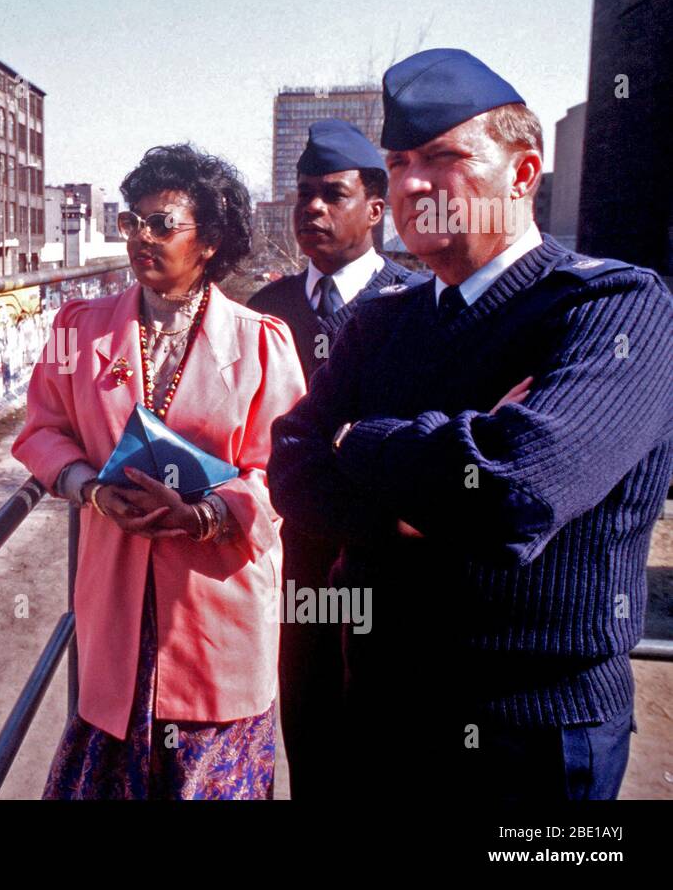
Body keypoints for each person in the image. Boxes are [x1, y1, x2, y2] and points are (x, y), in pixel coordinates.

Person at [267, 48, 673, 800]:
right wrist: (440, 481)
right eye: (399, 161)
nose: (414, 182)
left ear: (523, 173)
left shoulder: (611, 309)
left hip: (533, 740)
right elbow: (291, 470)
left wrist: (359, 440)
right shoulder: (383, 322)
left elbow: (513, 493)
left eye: (443, 156)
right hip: (381, 717)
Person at [12, 143, 306, 799]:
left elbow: (288, 473)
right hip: (116, 604)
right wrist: (87, 488)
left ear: (210, 241)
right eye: (130, 221)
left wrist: (209, 514)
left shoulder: (262, 343)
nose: (140, 238)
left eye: (161, 223)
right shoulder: (80, 329)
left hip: (214, 610)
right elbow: (41, 430)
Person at [248, 119, 424, 799]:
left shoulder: (414, 307)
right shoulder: (266, 312)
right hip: (293, 578)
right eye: (303, 196)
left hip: (393, 574)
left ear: (377, 209)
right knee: (312, 749)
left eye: (332, 195)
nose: (312, 209)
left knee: (391, 760)